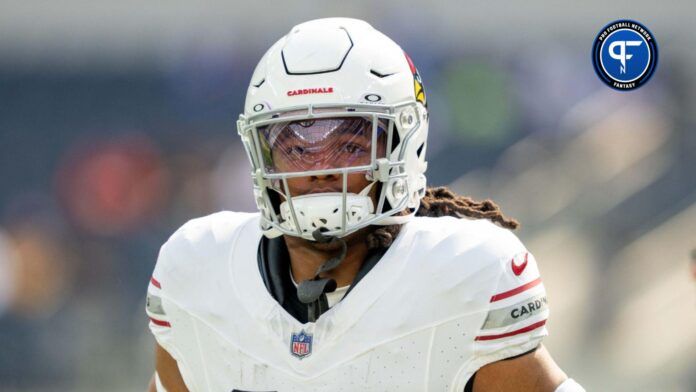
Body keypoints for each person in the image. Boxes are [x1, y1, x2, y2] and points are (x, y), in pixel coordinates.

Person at [146, 18, 584, 391]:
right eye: (297, 148)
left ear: (402, 145)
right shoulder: (197, 269)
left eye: (349, 144)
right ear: (262, 152)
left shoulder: (462, 273)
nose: (319, 168)